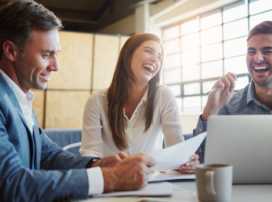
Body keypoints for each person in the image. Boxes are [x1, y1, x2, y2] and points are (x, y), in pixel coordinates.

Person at [0, 1, 156, 202]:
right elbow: (11, 184)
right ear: (11, 51)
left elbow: (49, 156)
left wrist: (96, 165)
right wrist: (111, 178)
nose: (55, 66)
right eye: (46, 54)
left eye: (56, 54)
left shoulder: (20, 99)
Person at [194, 21, 272, 163]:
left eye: (267, 51)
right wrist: (210, 111)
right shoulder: (230, 106)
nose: (257, 58)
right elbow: (203, 161)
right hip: (246, 185)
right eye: (251, 51)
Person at [79, 33, 199, 174]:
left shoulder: (164, 96)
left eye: (160, 57)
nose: (155, 59)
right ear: (128, 56)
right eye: (148, 51)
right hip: (111, 182)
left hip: (151, 182)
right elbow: (90, 156)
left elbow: (177, 151)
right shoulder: (96, 102)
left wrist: (186, 162)